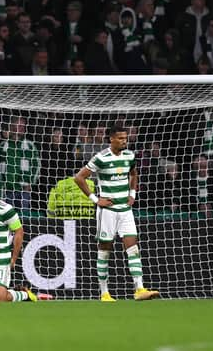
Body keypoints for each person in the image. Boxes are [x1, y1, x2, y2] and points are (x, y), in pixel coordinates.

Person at [73, 123, 159, 302]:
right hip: (107, 211)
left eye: (125, 138)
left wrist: (132, 194)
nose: (124, 141)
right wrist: (96, 200)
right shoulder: (101, 157)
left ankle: (139, 289)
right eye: (120, 138)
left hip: (125, 210)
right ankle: (104, 292)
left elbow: (134, 174)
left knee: (133, 248)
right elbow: (79, 178)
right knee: (105, 250)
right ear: (111, 139)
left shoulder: (129, 155)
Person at [0, 184, 50, 302]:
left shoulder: (6, 209)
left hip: (0, 258)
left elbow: (19, 231)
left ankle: (25, 295)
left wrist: (13, 258)